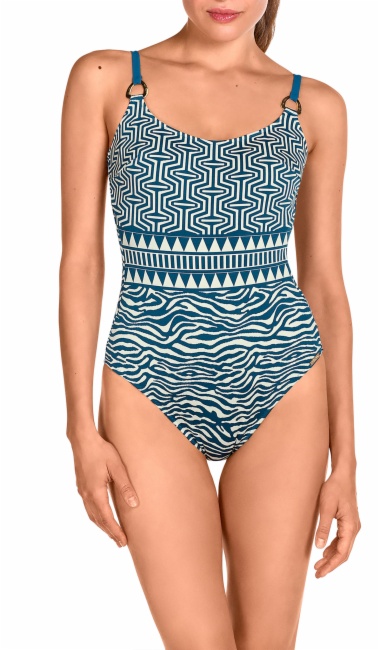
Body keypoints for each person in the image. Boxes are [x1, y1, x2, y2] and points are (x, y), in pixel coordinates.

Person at [59, 1, 361, 647]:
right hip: (148, 378)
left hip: (283, 379)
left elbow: (324, 286)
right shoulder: (108, 79)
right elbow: (81, 262)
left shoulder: (315, 106)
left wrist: (347, 462)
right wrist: (79, 429)